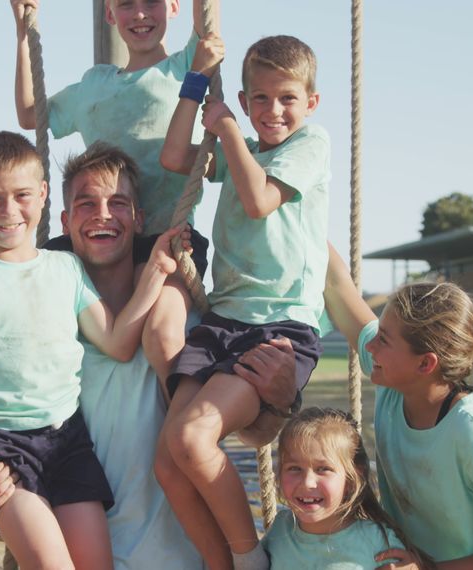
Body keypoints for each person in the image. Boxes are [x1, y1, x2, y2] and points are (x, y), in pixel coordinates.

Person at [0, 141, 303, 569]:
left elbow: (250, 432)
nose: (102, 214)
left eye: (118, 203)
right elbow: (3, 407)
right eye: (86, 203)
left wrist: (282, 401)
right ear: (65, 220)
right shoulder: (44, 335)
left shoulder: (188, 331)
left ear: (139, 220)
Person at [0, 131, 179, 569]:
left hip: (67, 444)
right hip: (1, 450)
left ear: (41, 195)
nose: (8, 211)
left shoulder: (65, 268)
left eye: (22, 195)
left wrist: (154, 271)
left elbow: (117, 343)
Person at [157, 33, 332, 569]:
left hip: (276, 329)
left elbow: (258, 201)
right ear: (244, 95)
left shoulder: (310, 145)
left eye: (286, 98)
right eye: (258, 98)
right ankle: (222, 564)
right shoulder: (241, 150)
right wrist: (196, 82)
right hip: (225, 321)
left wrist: (229, 124)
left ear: (311, 102)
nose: (272, 110)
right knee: (168, 461)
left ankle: (249, 558)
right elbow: (173, 156)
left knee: (192, 436)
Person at [9, 0, 214, 383]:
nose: (139, 14)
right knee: (27, 286)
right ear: (109, 15)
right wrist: (24, 31)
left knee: (162, 334)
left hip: (167, 239)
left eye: (152, 2)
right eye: (125, 5)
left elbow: (208, 24)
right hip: (100, 237)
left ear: (173, 7)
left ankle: (178, 431)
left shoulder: (187, 64)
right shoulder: (95, 84)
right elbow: (29, 113)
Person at [322, 259, 473, 567]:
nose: (370, 347)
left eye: (383, 340)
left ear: (425, 364)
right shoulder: (397, 382)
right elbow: (339, 286)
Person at [263, 407, 421, 570]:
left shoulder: (376, 540)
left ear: (352, 479)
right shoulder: (280, 529)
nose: (307, 482)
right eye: (294, 468)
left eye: (323, 469)